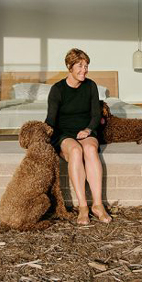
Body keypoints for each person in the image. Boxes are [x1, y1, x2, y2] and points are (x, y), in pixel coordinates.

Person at [45, 48, 112, 225]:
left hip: (86, 130)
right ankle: (83, 206)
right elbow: (51, 120)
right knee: (75, 151)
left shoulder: (91, 86)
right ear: (69, 66)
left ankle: (97, 205)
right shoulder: (57, 90)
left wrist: (89, 130)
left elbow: (96, 115)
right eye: (80, 66)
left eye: (86, 65)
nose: (84, 70)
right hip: (64, 134)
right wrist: (44, 137)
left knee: (89, 149)